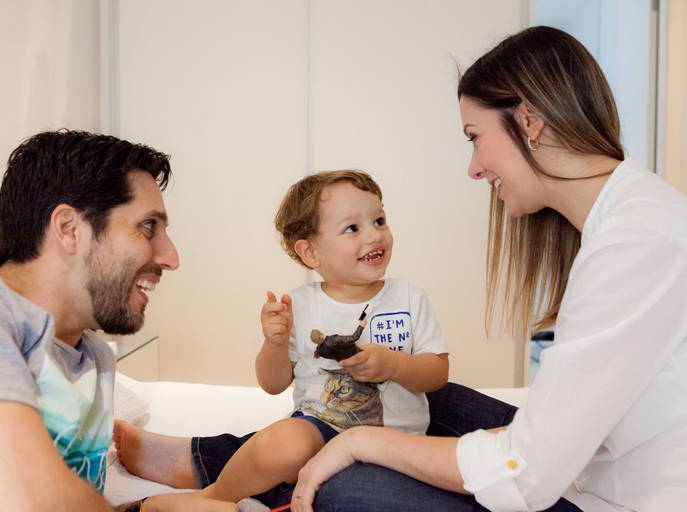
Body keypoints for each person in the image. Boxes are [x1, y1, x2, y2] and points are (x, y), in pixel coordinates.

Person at [287, 26, 687, 512]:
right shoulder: (630, 217)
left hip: (625, 497)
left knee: (348, 488)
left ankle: (284, 473)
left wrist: (357, 445)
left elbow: (526, 475)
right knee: (426, 404)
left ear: (530, 122)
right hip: (592, 459)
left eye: (475, 138)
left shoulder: (635, 245)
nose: (475, 168)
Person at [0, 130, 235, 512]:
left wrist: (147, 508)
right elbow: (17, 501)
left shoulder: (93, 359)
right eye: (147, 227)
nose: (171, 257)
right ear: (70, 229)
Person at [113, 170, 450, 508]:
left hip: (395, 446)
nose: (374, 235)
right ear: (310, 253)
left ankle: (216, 475)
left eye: (379, 220)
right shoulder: (301, 305)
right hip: (321, 429)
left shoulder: (408, 298)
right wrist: (274, 345)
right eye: (353, 228)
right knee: (285, 441)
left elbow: (436, 374)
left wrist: (394, 364)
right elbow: (272, 384)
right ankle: (211, 498)